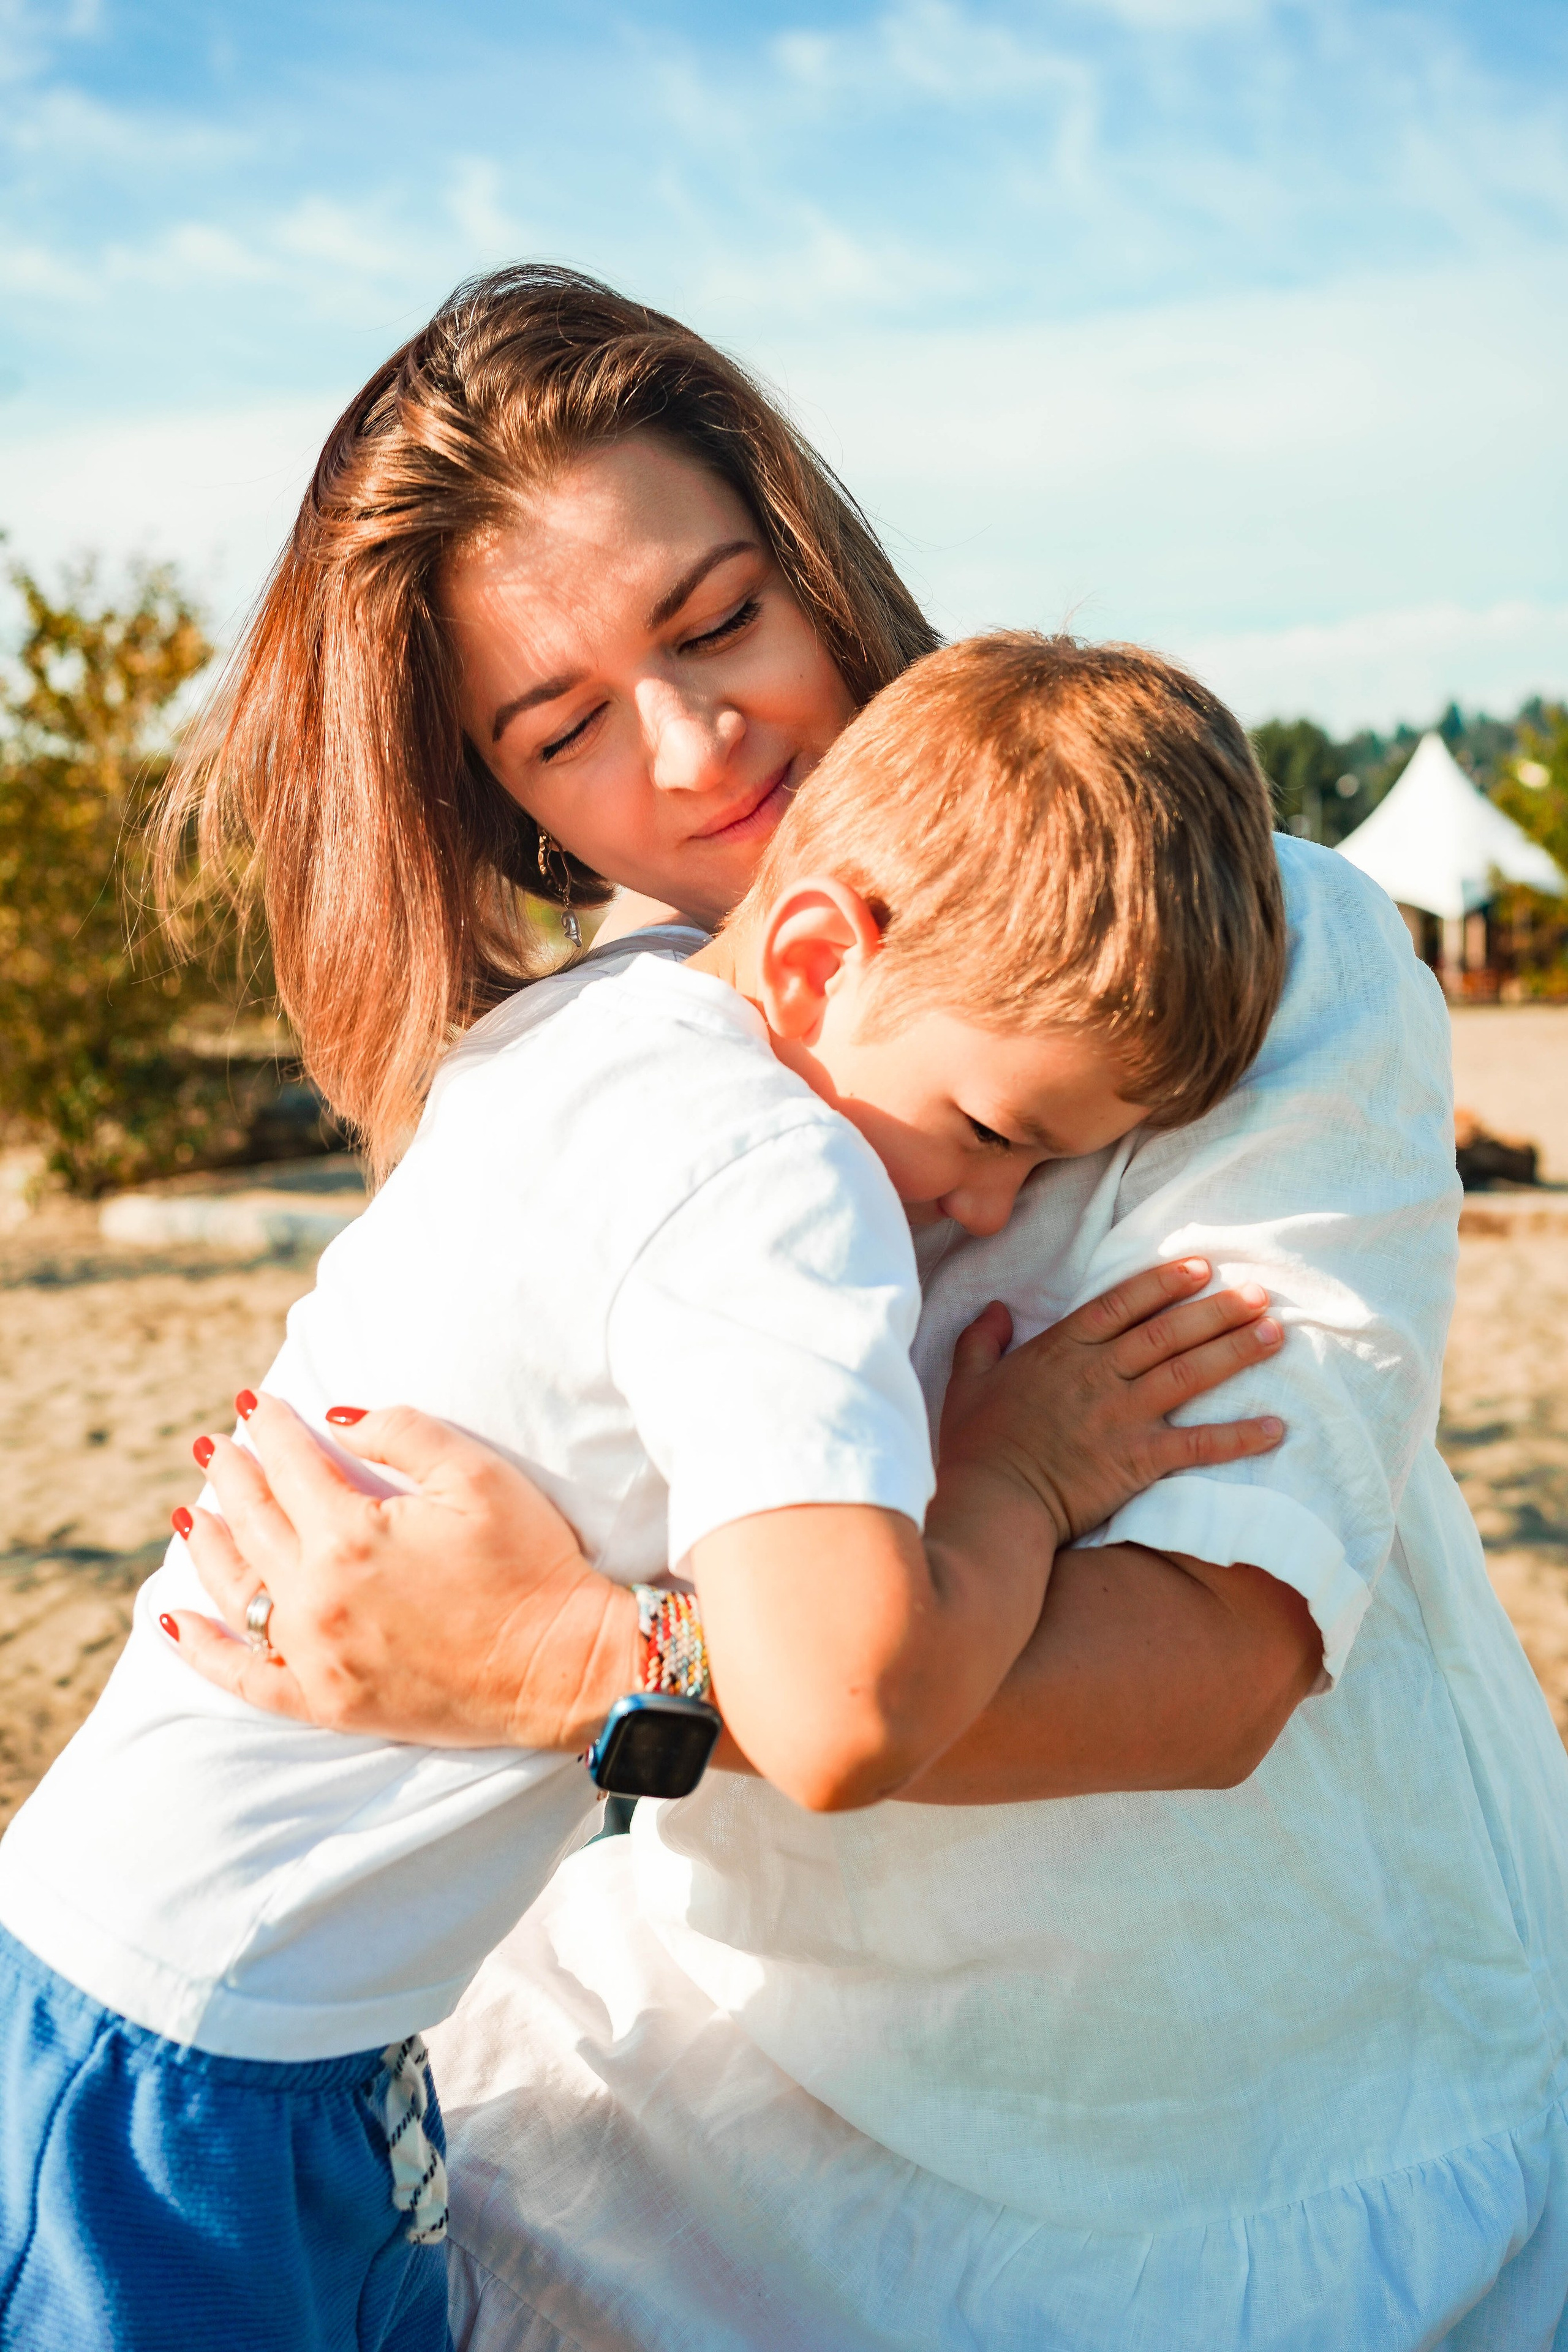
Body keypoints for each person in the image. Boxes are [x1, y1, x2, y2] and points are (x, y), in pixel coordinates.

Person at [167, 268, 1568, 2348]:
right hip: (692, 2146)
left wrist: (568, 1658)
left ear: (817, 566)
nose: (693, 737)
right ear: (504, 805)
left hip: (1223, 2139)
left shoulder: (1241, 939)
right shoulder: (601, 1065)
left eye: (719, 616)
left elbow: (1209, 1659)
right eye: (559, 725)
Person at [0, 633, 1286, 2352]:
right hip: (190, 2073)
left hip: (225, 2001)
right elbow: (843, 1715)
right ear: (822, 954)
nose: (992, 1211)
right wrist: (1022, 1479)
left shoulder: (589, 1028)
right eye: (995, 1131)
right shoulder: (782, 1170)